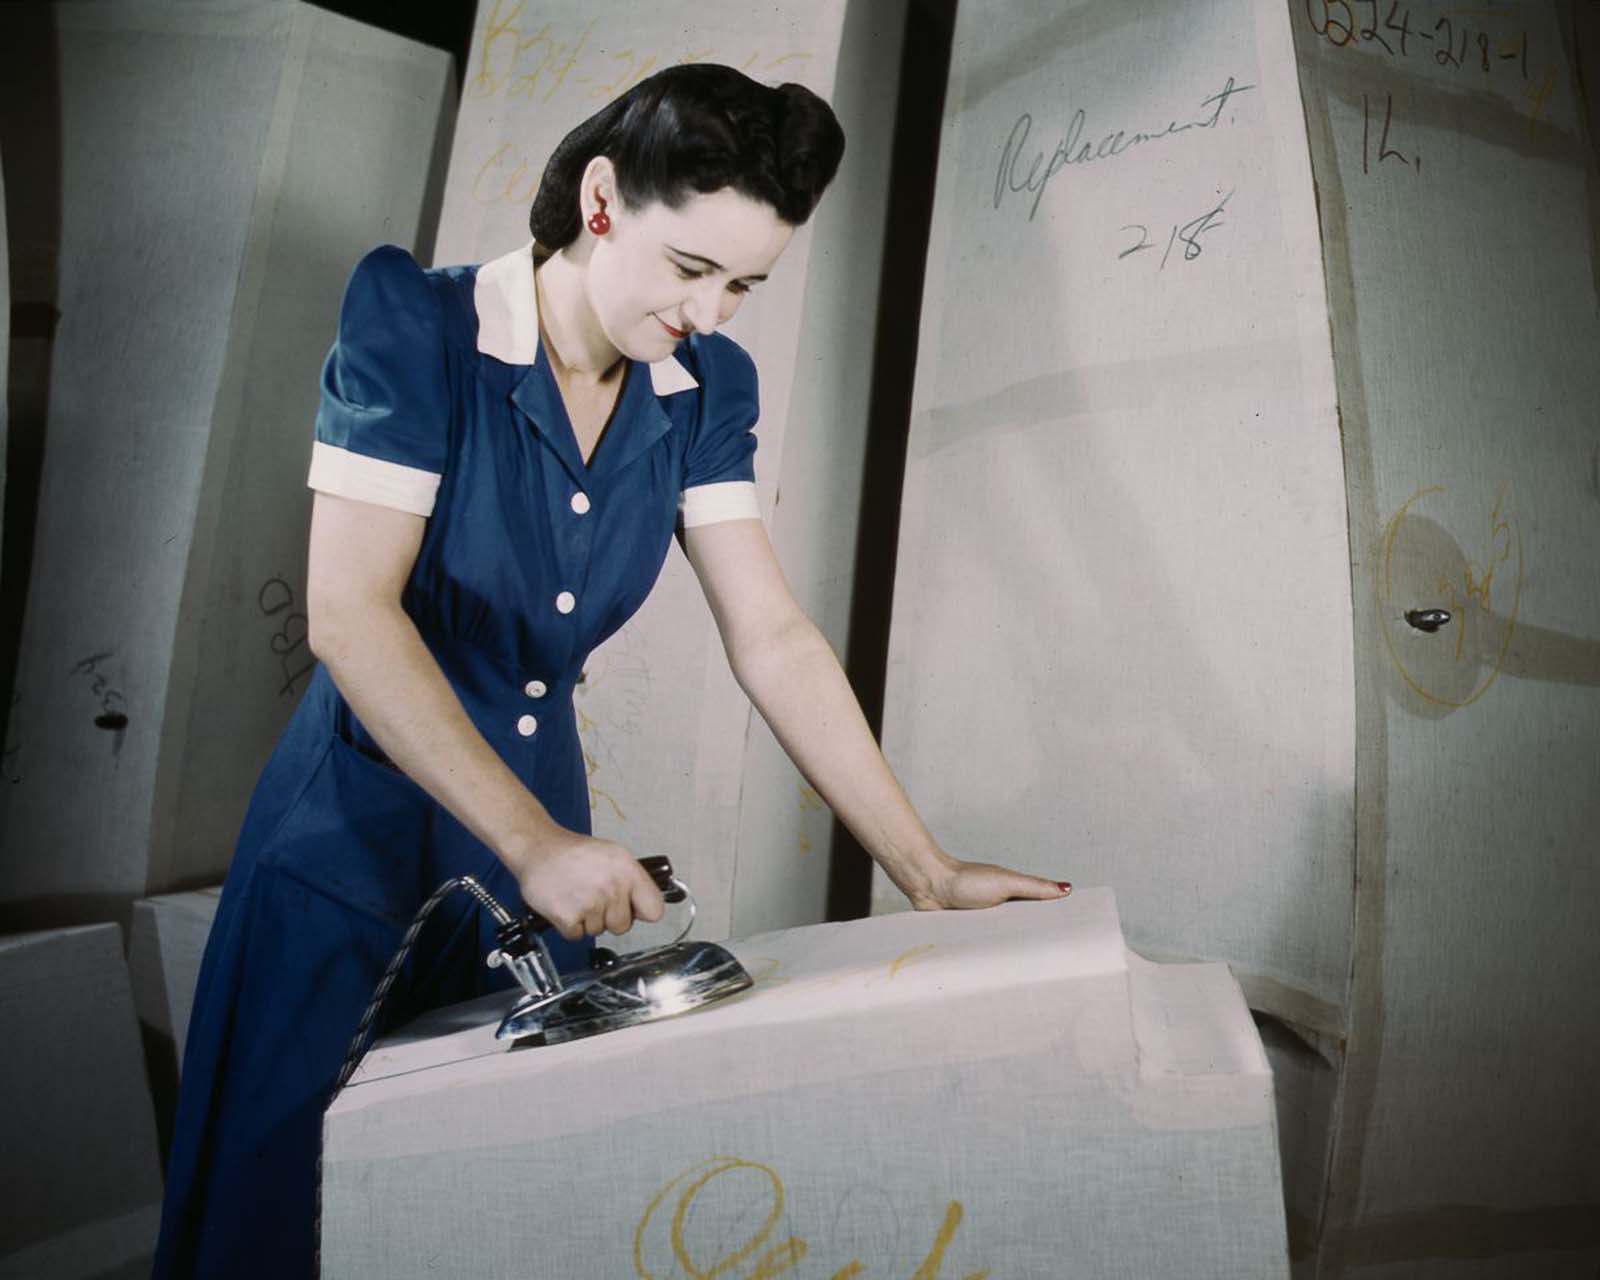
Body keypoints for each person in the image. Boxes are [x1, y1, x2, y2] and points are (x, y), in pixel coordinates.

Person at [152, 63, 1070, 1278]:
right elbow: (350, 614)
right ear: (600, 201)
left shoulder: (703, 390)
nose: (715, 311)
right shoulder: (415, 326)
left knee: (493, 1208)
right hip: (350, 852)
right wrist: (532, 842)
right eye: (693, 269)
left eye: (747, 281)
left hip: (539, 858)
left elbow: (772, 635)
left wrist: (927, 869)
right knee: (272, 1225)